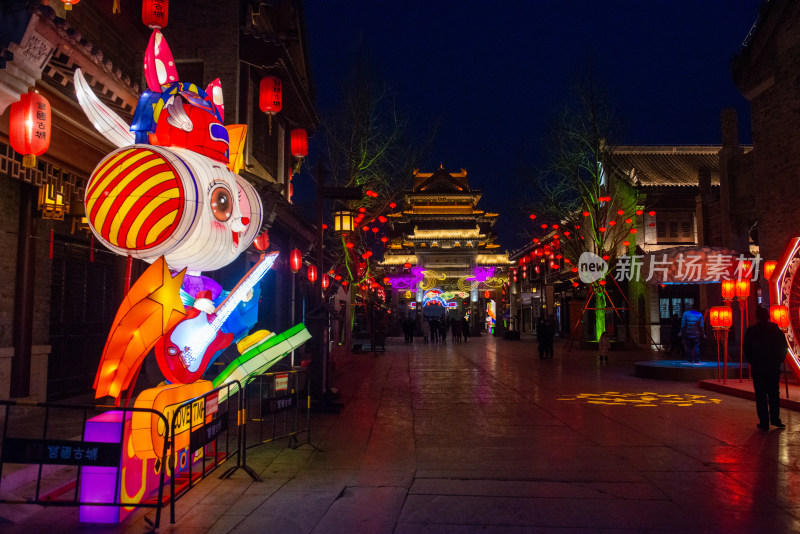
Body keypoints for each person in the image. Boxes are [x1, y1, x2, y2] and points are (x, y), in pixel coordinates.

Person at [743, 306, 788, 430]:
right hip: (773, 367)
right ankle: (775, 419)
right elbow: (784, 348)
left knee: (761, 395)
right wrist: (778, 361)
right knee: (774, 395)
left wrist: (752, 361)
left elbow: (747, 348)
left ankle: (764, 421)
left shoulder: (752, 331)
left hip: (759, 367)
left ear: (757, 317)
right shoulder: (776, 331)